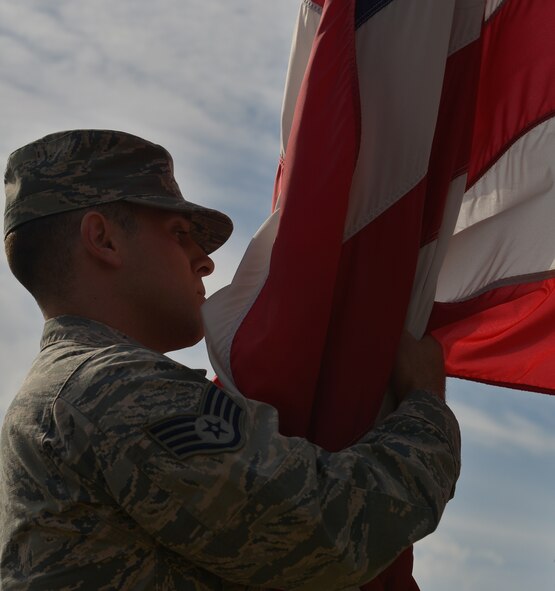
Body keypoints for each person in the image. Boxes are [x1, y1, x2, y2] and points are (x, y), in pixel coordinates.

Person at [0, 129, 460, 590]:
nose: (204, 261)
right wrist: (425, 408)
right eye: (179, 234)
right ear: (103, 239)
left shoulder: (64, 392)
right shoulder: (109, 387)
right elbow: (326, 530)